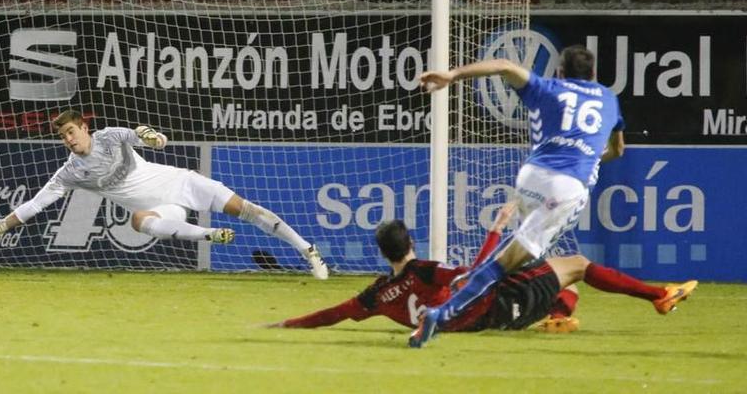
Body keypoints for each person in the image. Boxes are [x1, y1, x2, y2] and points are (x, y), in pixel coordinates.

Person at [410, 45, 626, 347]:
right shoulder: (608, 98)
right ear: (593, 75)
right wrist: (588, 157)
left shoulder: (548, 87)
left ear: (560, 72)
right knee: (509, 261)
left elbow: (502, 64)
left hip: (530, 177)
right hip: (566, 187)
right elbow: (617, 150)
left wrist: (451, 74)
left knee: (525, 255)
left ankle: (505, 296)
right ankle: (445, 312)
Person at [0, 110, 329, 279]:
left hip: (181, 183)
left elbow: (143, 136)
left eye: (71, 131)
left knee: (245, 209)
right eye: (62, 136)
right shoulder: (70, 173)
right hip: (162, 209)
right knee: (140, 221)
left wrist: (153, 137)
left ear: (84, 127)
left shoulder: (110, 136)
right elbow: (36, 204)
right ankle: (209, 236)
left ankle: (308, 252)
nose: (68, 139)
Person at [270, 205, 697, 333]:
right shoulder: (428, 270)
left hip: (488, 324)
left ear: (383, 254)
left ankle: (558, 318)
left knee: (560, 276)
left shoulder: (378, 296)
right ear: (411, 244)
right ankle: (658, 296)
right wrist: (495, 231)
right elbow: (478, 272)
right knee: (579, 266)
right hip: (501, 305)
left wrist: (288, 323)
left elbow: (335, 314)